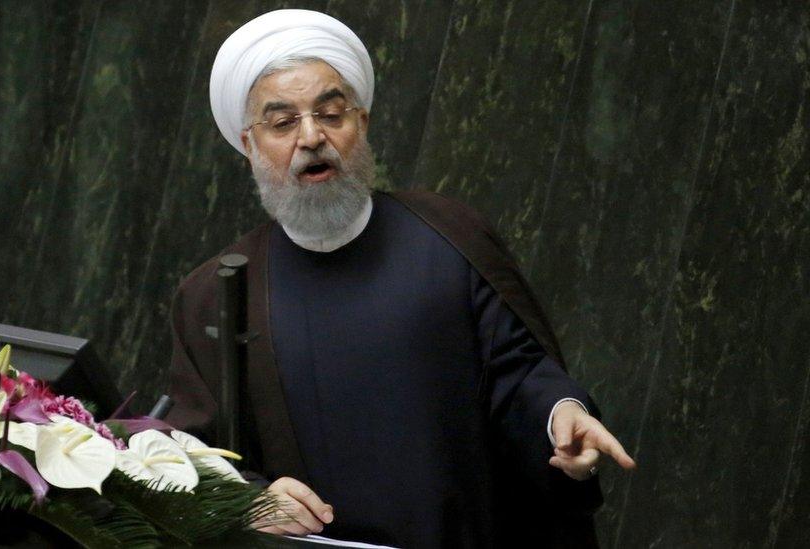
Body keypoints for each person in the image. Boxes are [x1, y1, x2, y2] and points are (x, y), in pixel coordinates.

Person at [166, 9, 635, 548]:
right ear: (249, 145)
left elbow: (517, 371)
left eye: (331, 113)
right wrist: (249, 499)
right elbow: (191, 454)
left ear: (360, 124)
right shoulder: (217, 294)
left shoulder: (448, 234)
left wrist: (562, 415)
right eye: (283, 122)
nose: (312, 137)